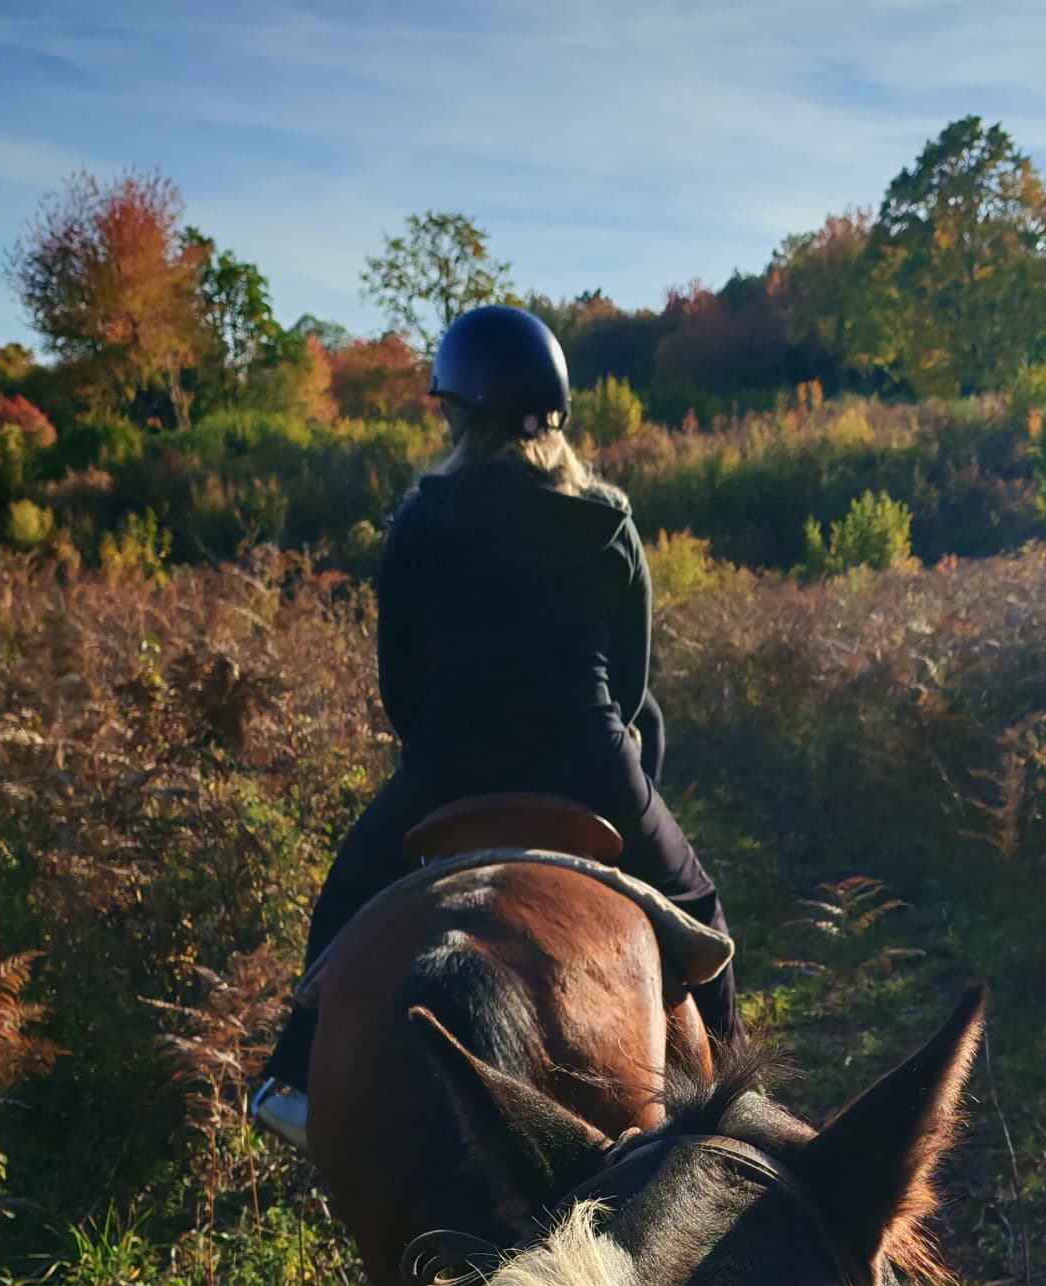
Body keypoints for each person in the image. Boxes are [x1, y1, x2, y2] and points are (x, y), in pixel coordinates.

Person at [252, 304, 734, 1145]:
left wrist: (447, 745)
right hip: (592, 765)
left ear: (461, 410)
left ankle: (291, 1079)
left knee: (344, 905)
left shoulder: (423, 517)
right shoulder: (610, 519)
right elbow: (631, 682)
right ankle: (733, 1084)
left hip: (450, 766)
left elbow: (400, 682)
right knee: (701, 906)